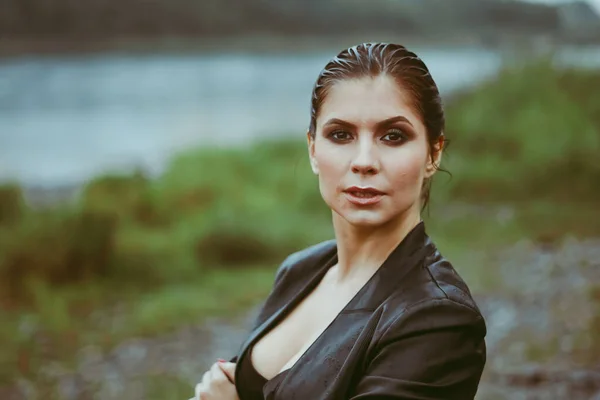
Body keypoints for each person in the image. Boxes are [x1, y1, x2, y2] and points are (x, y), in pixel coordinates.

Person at [191, 42, 487, 400]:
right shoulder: (300, 270)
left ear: (433, 153)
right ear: (313, 149)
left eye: (393, 136)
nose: (364, 161)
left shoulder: (437, 319)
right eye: (340, 135)